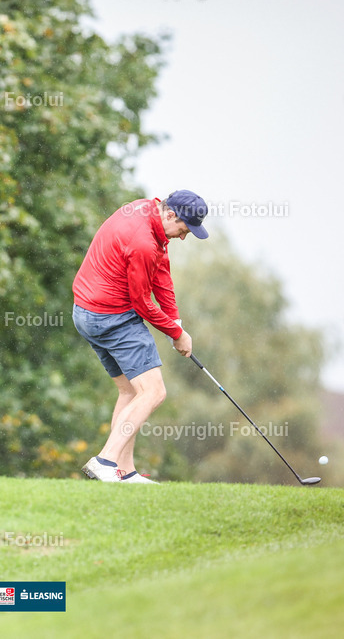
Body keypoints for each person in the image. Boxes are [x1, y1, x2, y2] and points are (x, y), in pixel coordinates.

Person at [72, 190, 209, 484]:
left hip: (85, 313)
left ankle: (124, 472)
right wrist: (176, 334)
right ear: (171, 214)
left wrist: (175, 322)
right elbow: (142, 303)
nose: (183, 237)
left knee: (131, 392)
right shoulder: (143, 242)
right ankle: (105, 461)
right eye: (184, 230)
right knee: (154, 392)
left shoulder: (144, 211)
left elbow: (161, 272)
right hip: (113, 318)